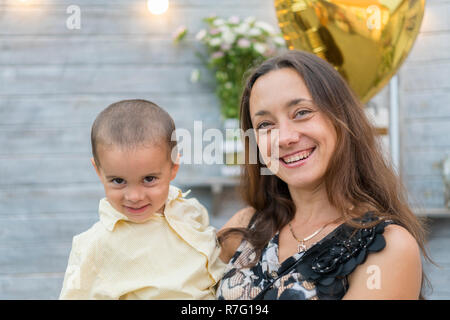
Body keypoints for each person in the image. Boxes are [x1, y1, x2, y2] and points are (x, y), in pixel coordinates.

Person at [216, 50, 432, 300]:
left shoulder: (387, 246)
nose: (285, 137)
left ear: (341, 118)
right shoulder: (248, 224)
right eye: (265, 125)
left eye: (302, 112)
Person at [60, 99, 226, 299]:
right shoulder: (94, 248)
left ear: (174, 167)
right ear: (98, 171)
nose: (134, 197)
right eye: (118, 180)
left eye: (149, 179)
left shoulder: (190, 210)